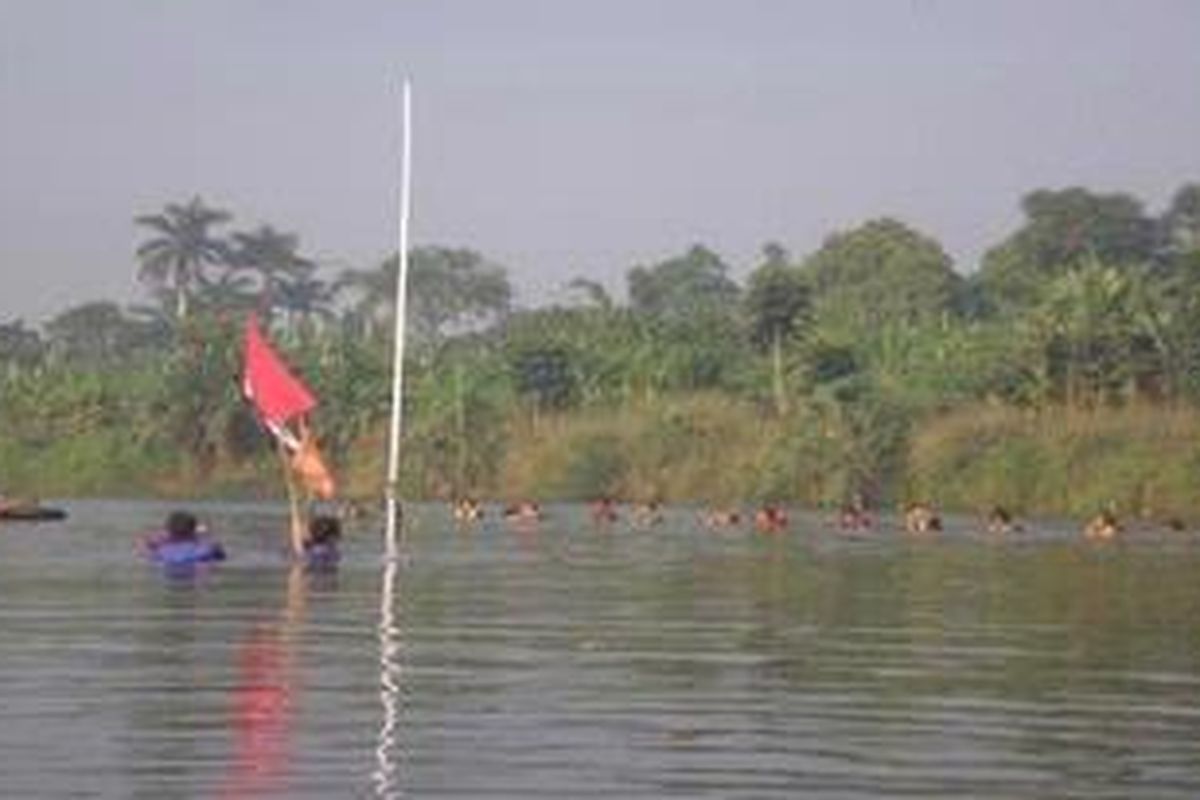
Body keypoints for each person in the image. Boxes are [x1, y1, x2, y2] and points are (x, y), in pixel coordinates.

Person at [139, 510, 226, 566]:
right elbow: (220, 554)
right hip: (199, 562)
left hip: (168, 561)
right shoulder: (206, 548)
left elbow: (145, 550)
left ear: (169, 530)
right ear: (193, 529)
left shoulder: (160, 549)